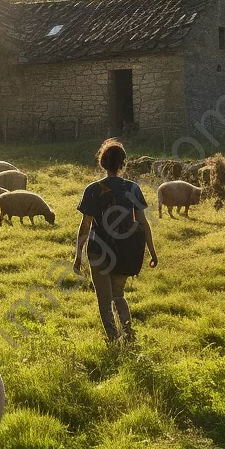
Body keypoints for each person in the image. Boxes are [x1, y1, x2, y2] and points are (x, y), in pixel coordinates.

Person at [73, 138, 158, 344]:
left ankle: (113, 340)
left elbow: (85, 226)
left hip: (98, 250)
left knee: (104, 298)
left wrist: (78, 256)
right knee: (118, 295)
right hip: (125, 249)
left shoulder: (92, 189)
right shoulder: (133, 188)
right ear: (122, 164)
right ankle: (129, 337)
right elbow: (143, 223)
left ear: (102, 163)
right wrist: (152, 252)